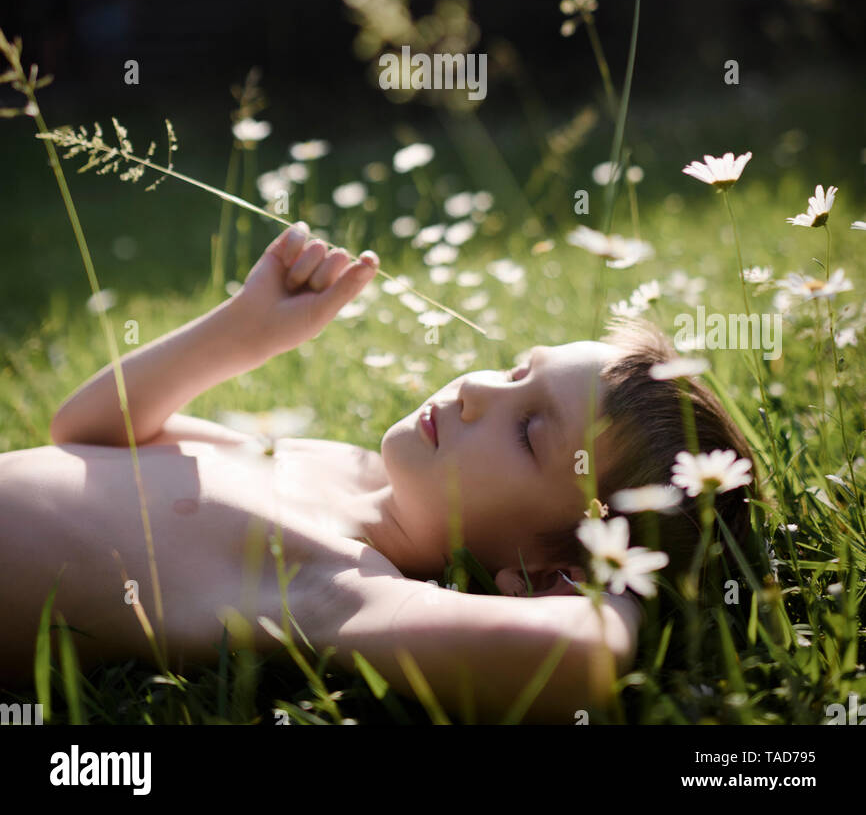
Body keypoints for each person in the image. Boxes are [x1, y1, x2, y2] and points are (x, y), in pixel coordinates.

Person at [0, 223, 754, 723]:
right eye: (518, 368)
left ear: (545, 571)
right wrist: (239, 333)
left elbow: (575, 658)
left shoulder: (339, 584)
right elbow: (90, 433)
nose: (477, 391)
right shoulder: (340, 465)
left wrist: (612, 582)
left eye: (528, 431)